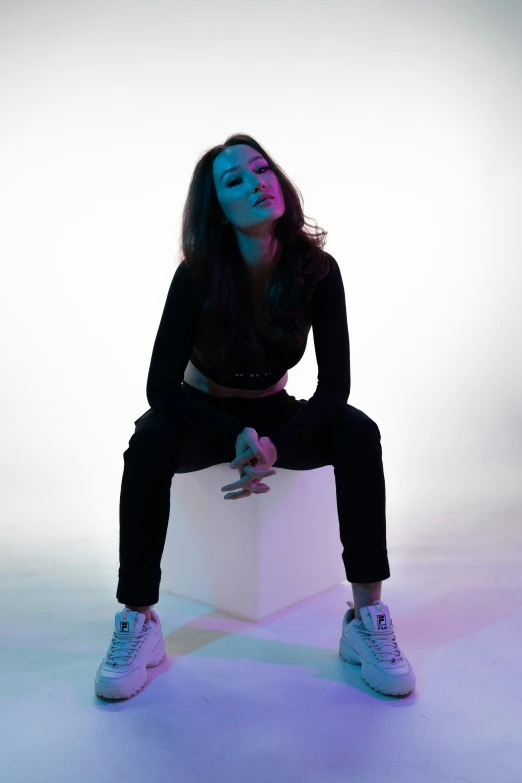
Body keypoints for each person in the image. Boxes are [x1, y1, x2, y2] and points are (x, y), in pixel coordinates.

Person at [94, 135, 415, 701]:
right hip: (201, 412)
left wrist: (274, 441)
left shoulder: (317, 270)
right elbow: (160, 388)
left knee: (358, 432)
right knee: (147, 443)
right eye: (234, 180)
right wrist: (232, 433)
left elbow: (335, 387)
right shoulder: (195, 276)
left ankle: (366, 620)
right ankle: (138, 621)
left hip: (273, 413)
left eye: (261, 169)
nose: (256, 182)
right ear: (216, 207)